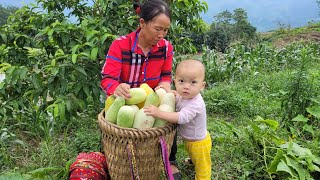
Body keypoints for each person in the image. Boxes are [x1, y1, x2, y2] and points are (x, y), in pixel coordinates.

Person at [100, 0, 181, 179]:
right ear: (142, 23)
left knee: (171, 104)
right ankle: (114, 155)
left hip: (150, 102)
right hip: (125, 100)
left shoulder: (166, 48)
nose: (161, 35)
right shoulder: (120, 45)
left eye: (165, 30)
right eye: (157, 29)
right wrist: (116, 87)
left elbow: (166, 76)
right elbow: (107, 79)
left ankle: (170, 158)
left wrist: (166, 86)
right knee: (118, 126)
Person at [144, 59, 212, 180]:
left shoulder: (196, 103)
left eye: (193, 82)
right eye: (181, 81)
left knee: (203, 167)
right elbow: (176, 98)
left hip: (199, 143)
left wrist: (158, 113)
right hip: (190, 139)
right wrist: (167, 92)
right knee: (192, 154)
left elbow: (180, 117)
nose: (186, 86)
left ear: (202, 86)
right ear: (175, 81)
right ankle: (193, 160)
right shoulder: (184, 95)